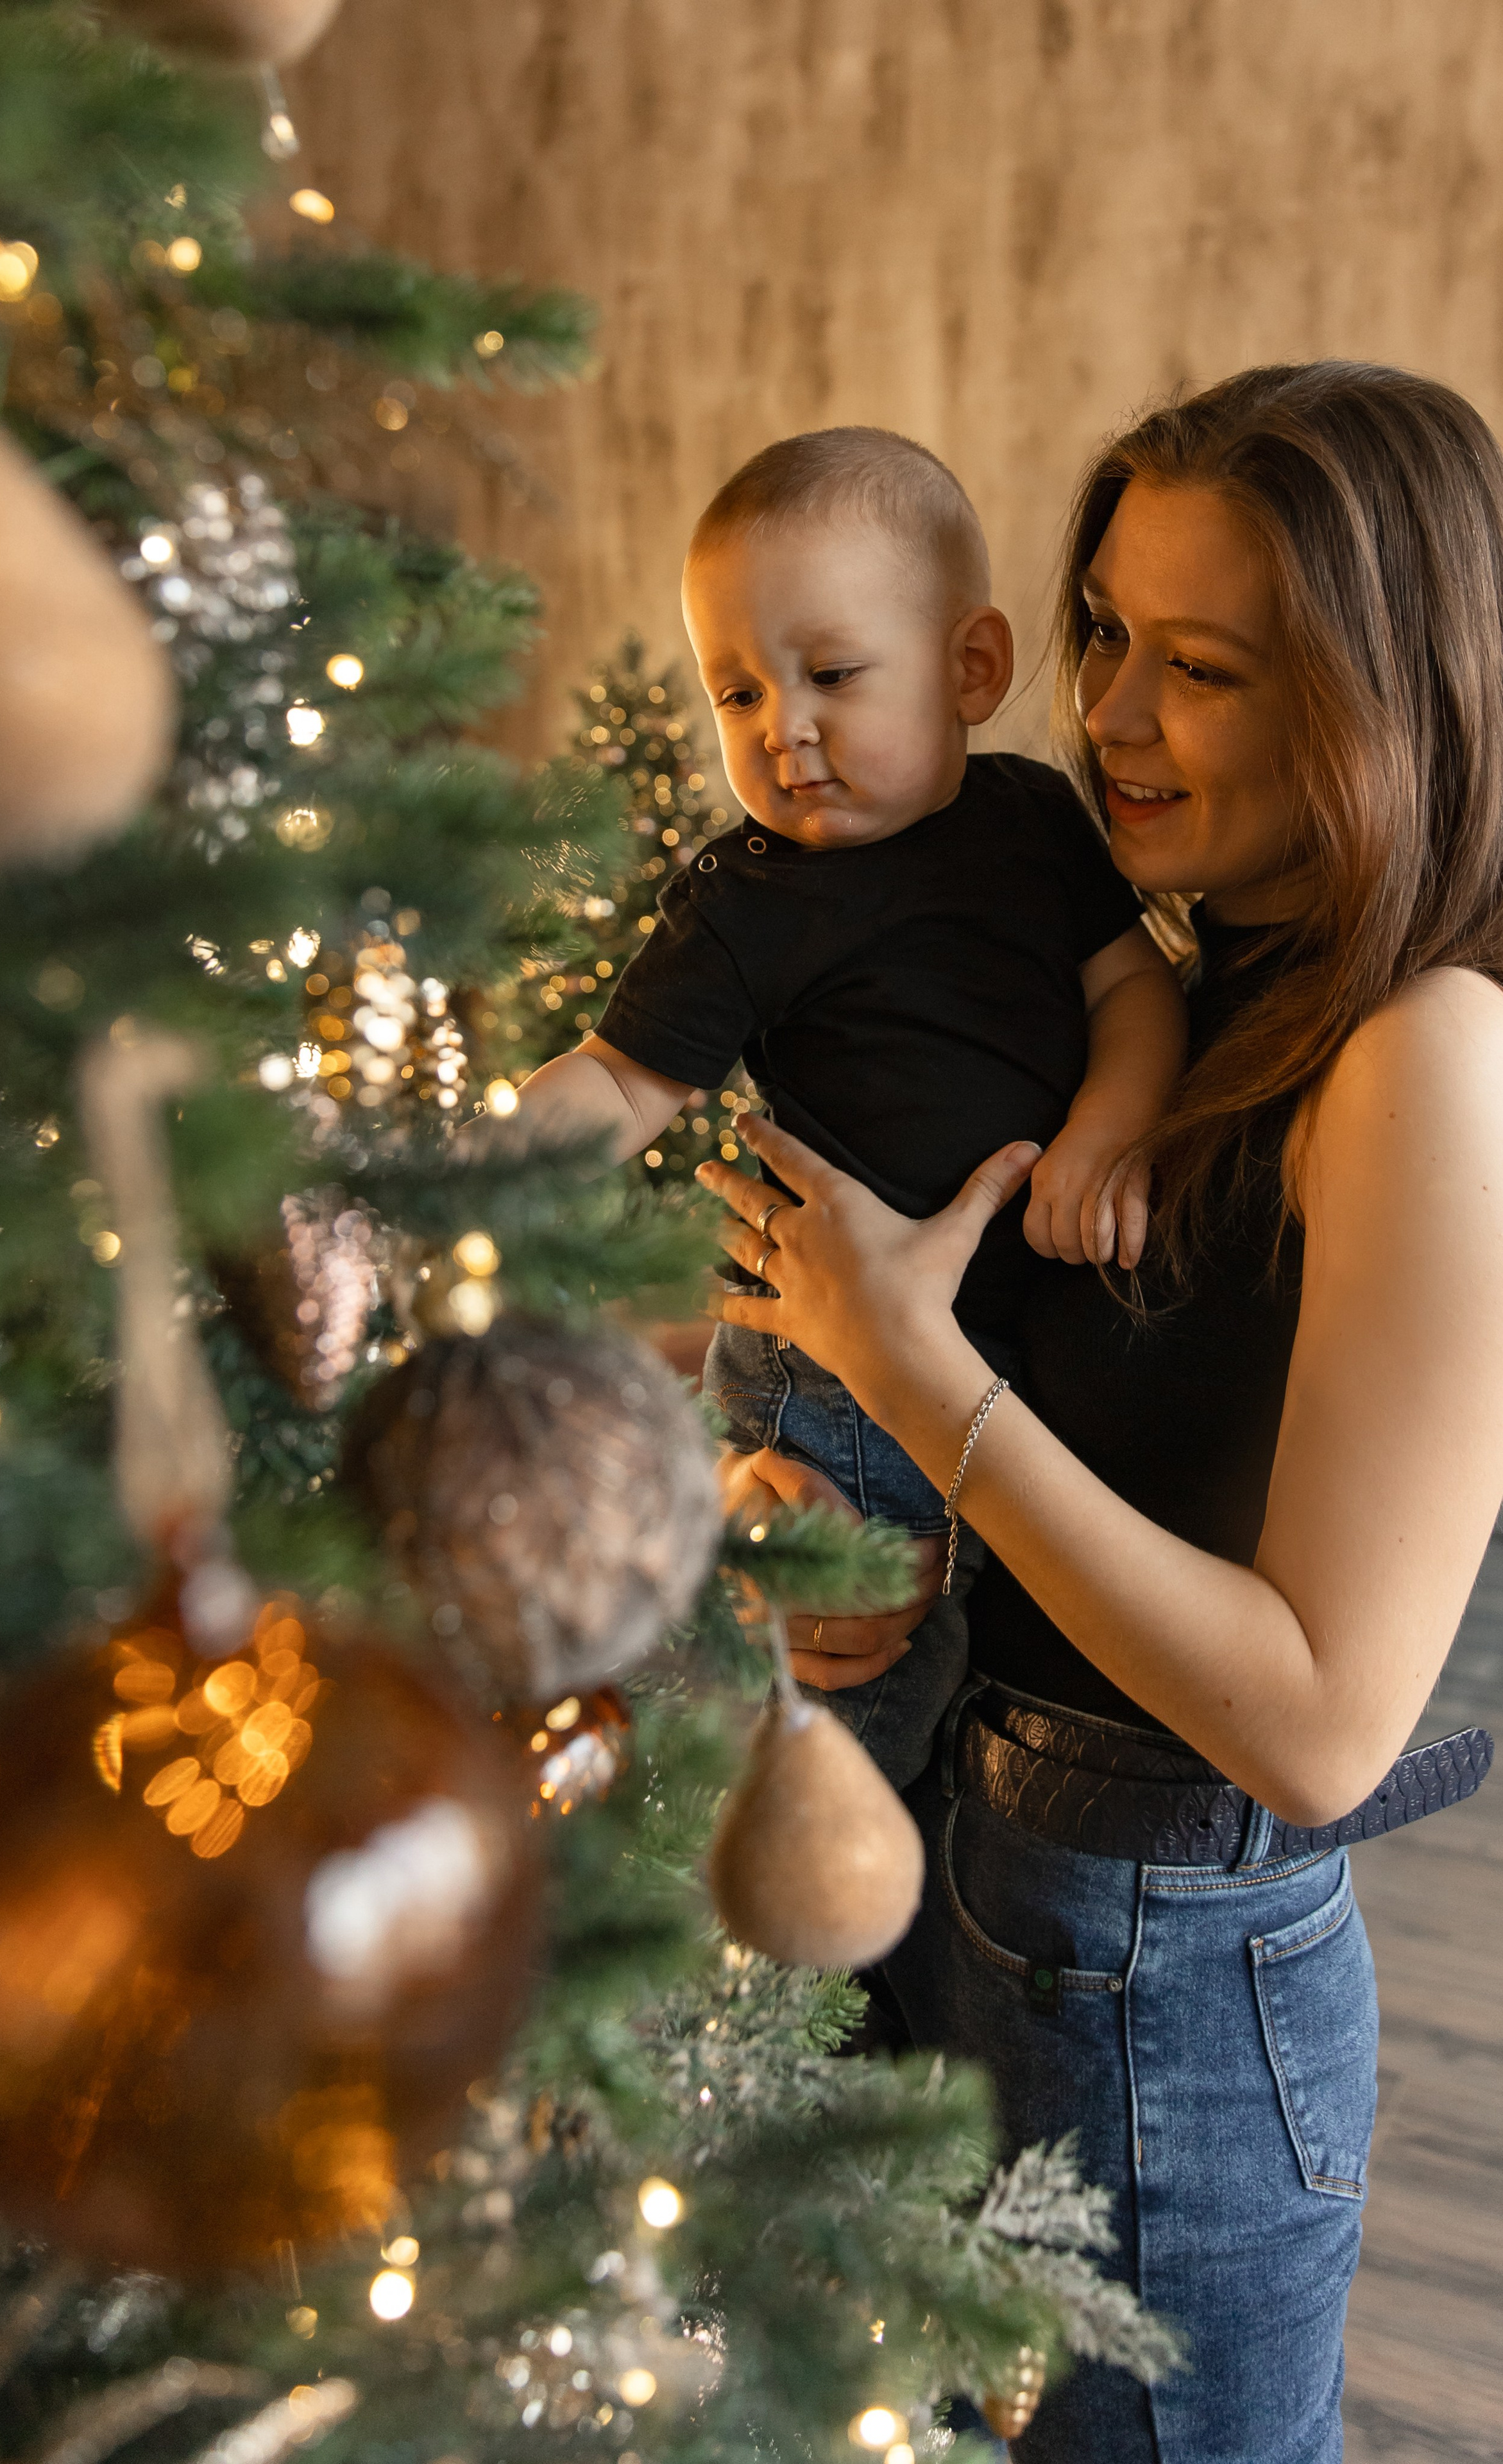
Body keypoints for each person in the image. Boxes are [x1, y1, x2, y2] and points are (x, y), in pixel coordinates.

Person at [697, 362, 1503, 2463]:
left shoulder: (1424, 1051)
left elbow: (1322, 1723)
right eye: (1107, 637)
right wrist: (820, 1502)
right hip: (983, 1878)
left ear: (1389, 697)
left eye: (1204, 669)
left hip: (1169, 1988)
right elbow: (1067, 1431)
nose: (1114, 718)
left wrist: (919, 1380)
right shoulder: (1179, 980)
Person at [489, 426, 1184, 1787]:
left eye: (832, 676)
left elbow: (1133, 987)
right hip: (834, 1387)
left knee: (967, 1696)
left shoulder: (1035, 821)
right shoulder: (747, 899)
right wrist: (481, 1165)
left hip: (1010, 1362)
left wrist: (1110, 1130)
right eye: (737, 692)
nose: (781, 729)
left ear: (969, 668)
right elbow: (622, 1076)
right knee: (837, 1706)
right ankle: (761, 1892)